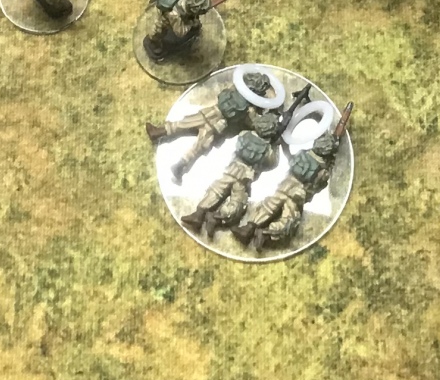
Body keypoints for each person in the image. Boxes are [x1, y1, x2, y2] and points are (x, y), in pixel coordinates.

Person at [235, 106, 351, 250]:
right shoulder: (323, 171)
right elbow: (318, 186)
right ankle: (266, 233)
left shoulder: (303, 154)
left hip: (284, 186)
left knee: (269, 206)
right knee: (289, 218)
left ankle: (250, 226)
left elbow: (291, 163)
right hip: (298, 194)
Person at [147, 68, 284, 179]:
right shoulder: (237, 90)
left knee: (200, 145)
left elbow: (252, 124)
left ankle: (181, 165)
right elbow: (223, 94)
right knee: (185, 122)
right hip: (211, 112)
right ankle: (159, 132)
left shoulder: (251, 109)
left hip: (220, 124)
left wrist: (259, 116)